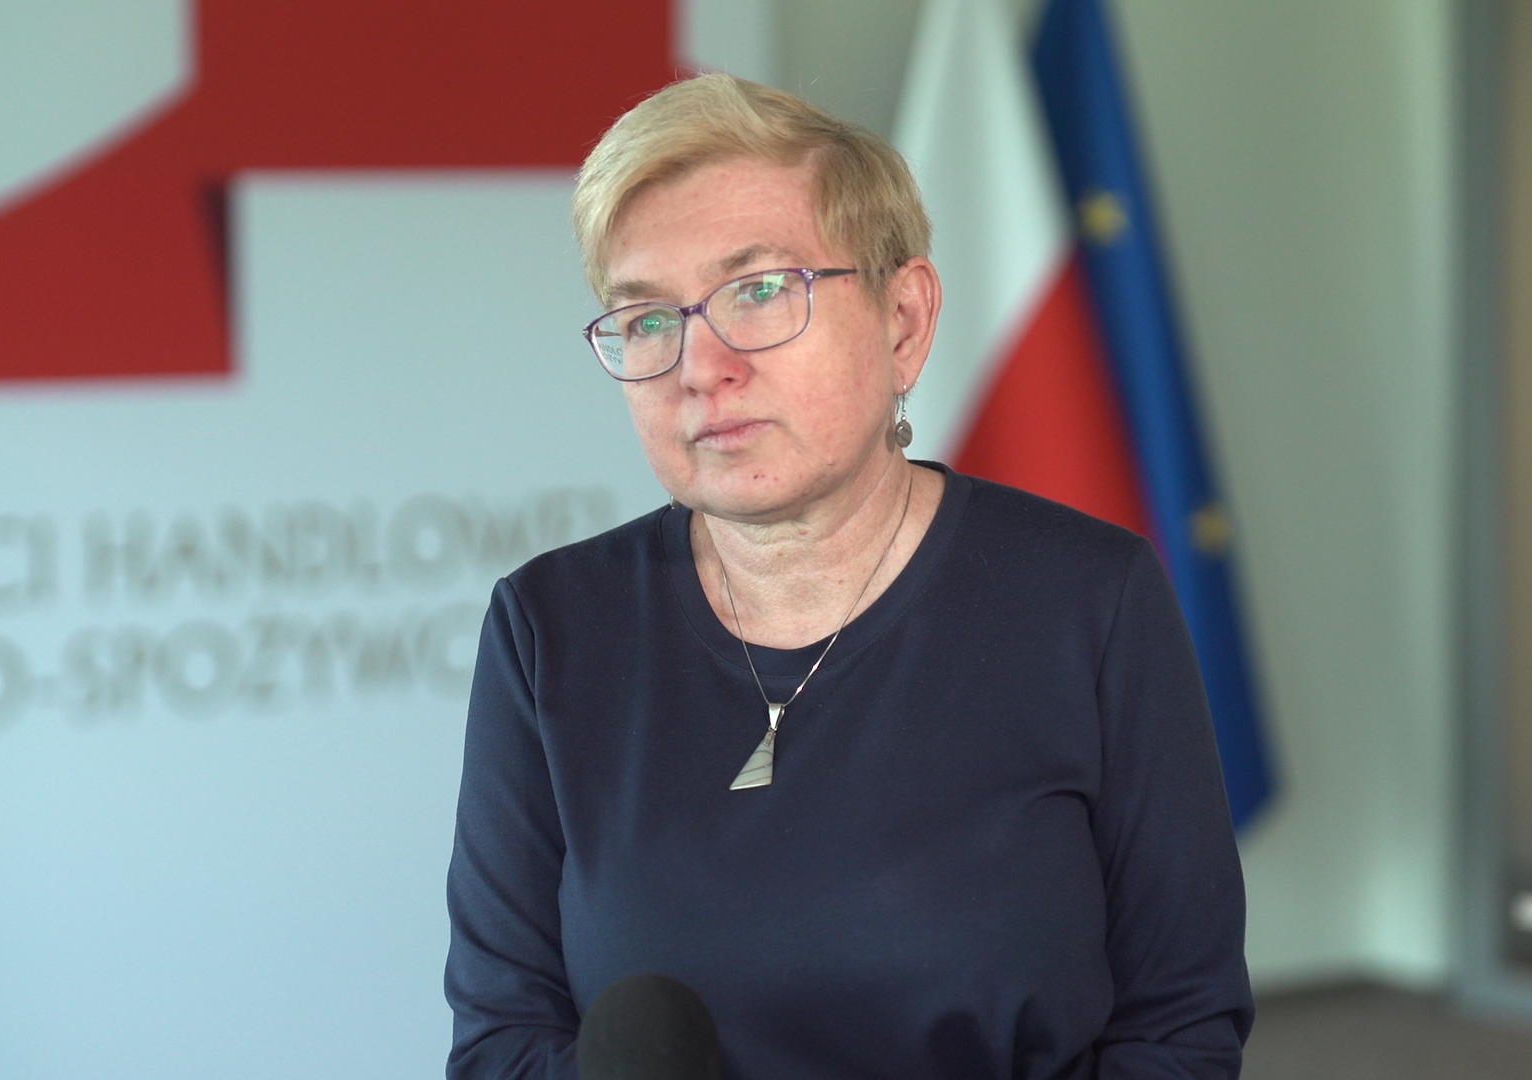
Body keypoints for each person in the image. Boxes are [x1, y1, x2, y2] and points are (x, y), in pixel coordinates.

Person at [444, 73, 1251, 1079]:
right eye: (646, 319)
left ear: (903, 319)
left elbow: (1178, 1031)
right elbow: (502, 1042)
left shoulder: (1091, 600)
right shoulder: (549, 627)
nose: (700, 365)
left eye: (759, 291)